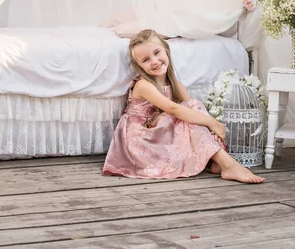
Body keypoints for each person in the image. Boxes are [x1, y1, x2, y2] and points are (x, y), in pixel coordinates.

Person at [103, 29, 265, 183]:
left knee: (194, 107)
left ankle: (217, 160)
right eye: (146, 60)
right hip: (142, 139)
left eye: (157, 53)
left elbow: (192, 109)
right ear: (139, 66)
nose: (154, 61)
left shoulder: (175, 85)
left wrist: (209, 124)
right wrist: (212, 122)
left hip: (159, 132)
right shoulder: (144, 85)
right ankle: (229, 165)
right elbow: (174, 109)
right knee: (186, 113)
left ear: (166, 50)